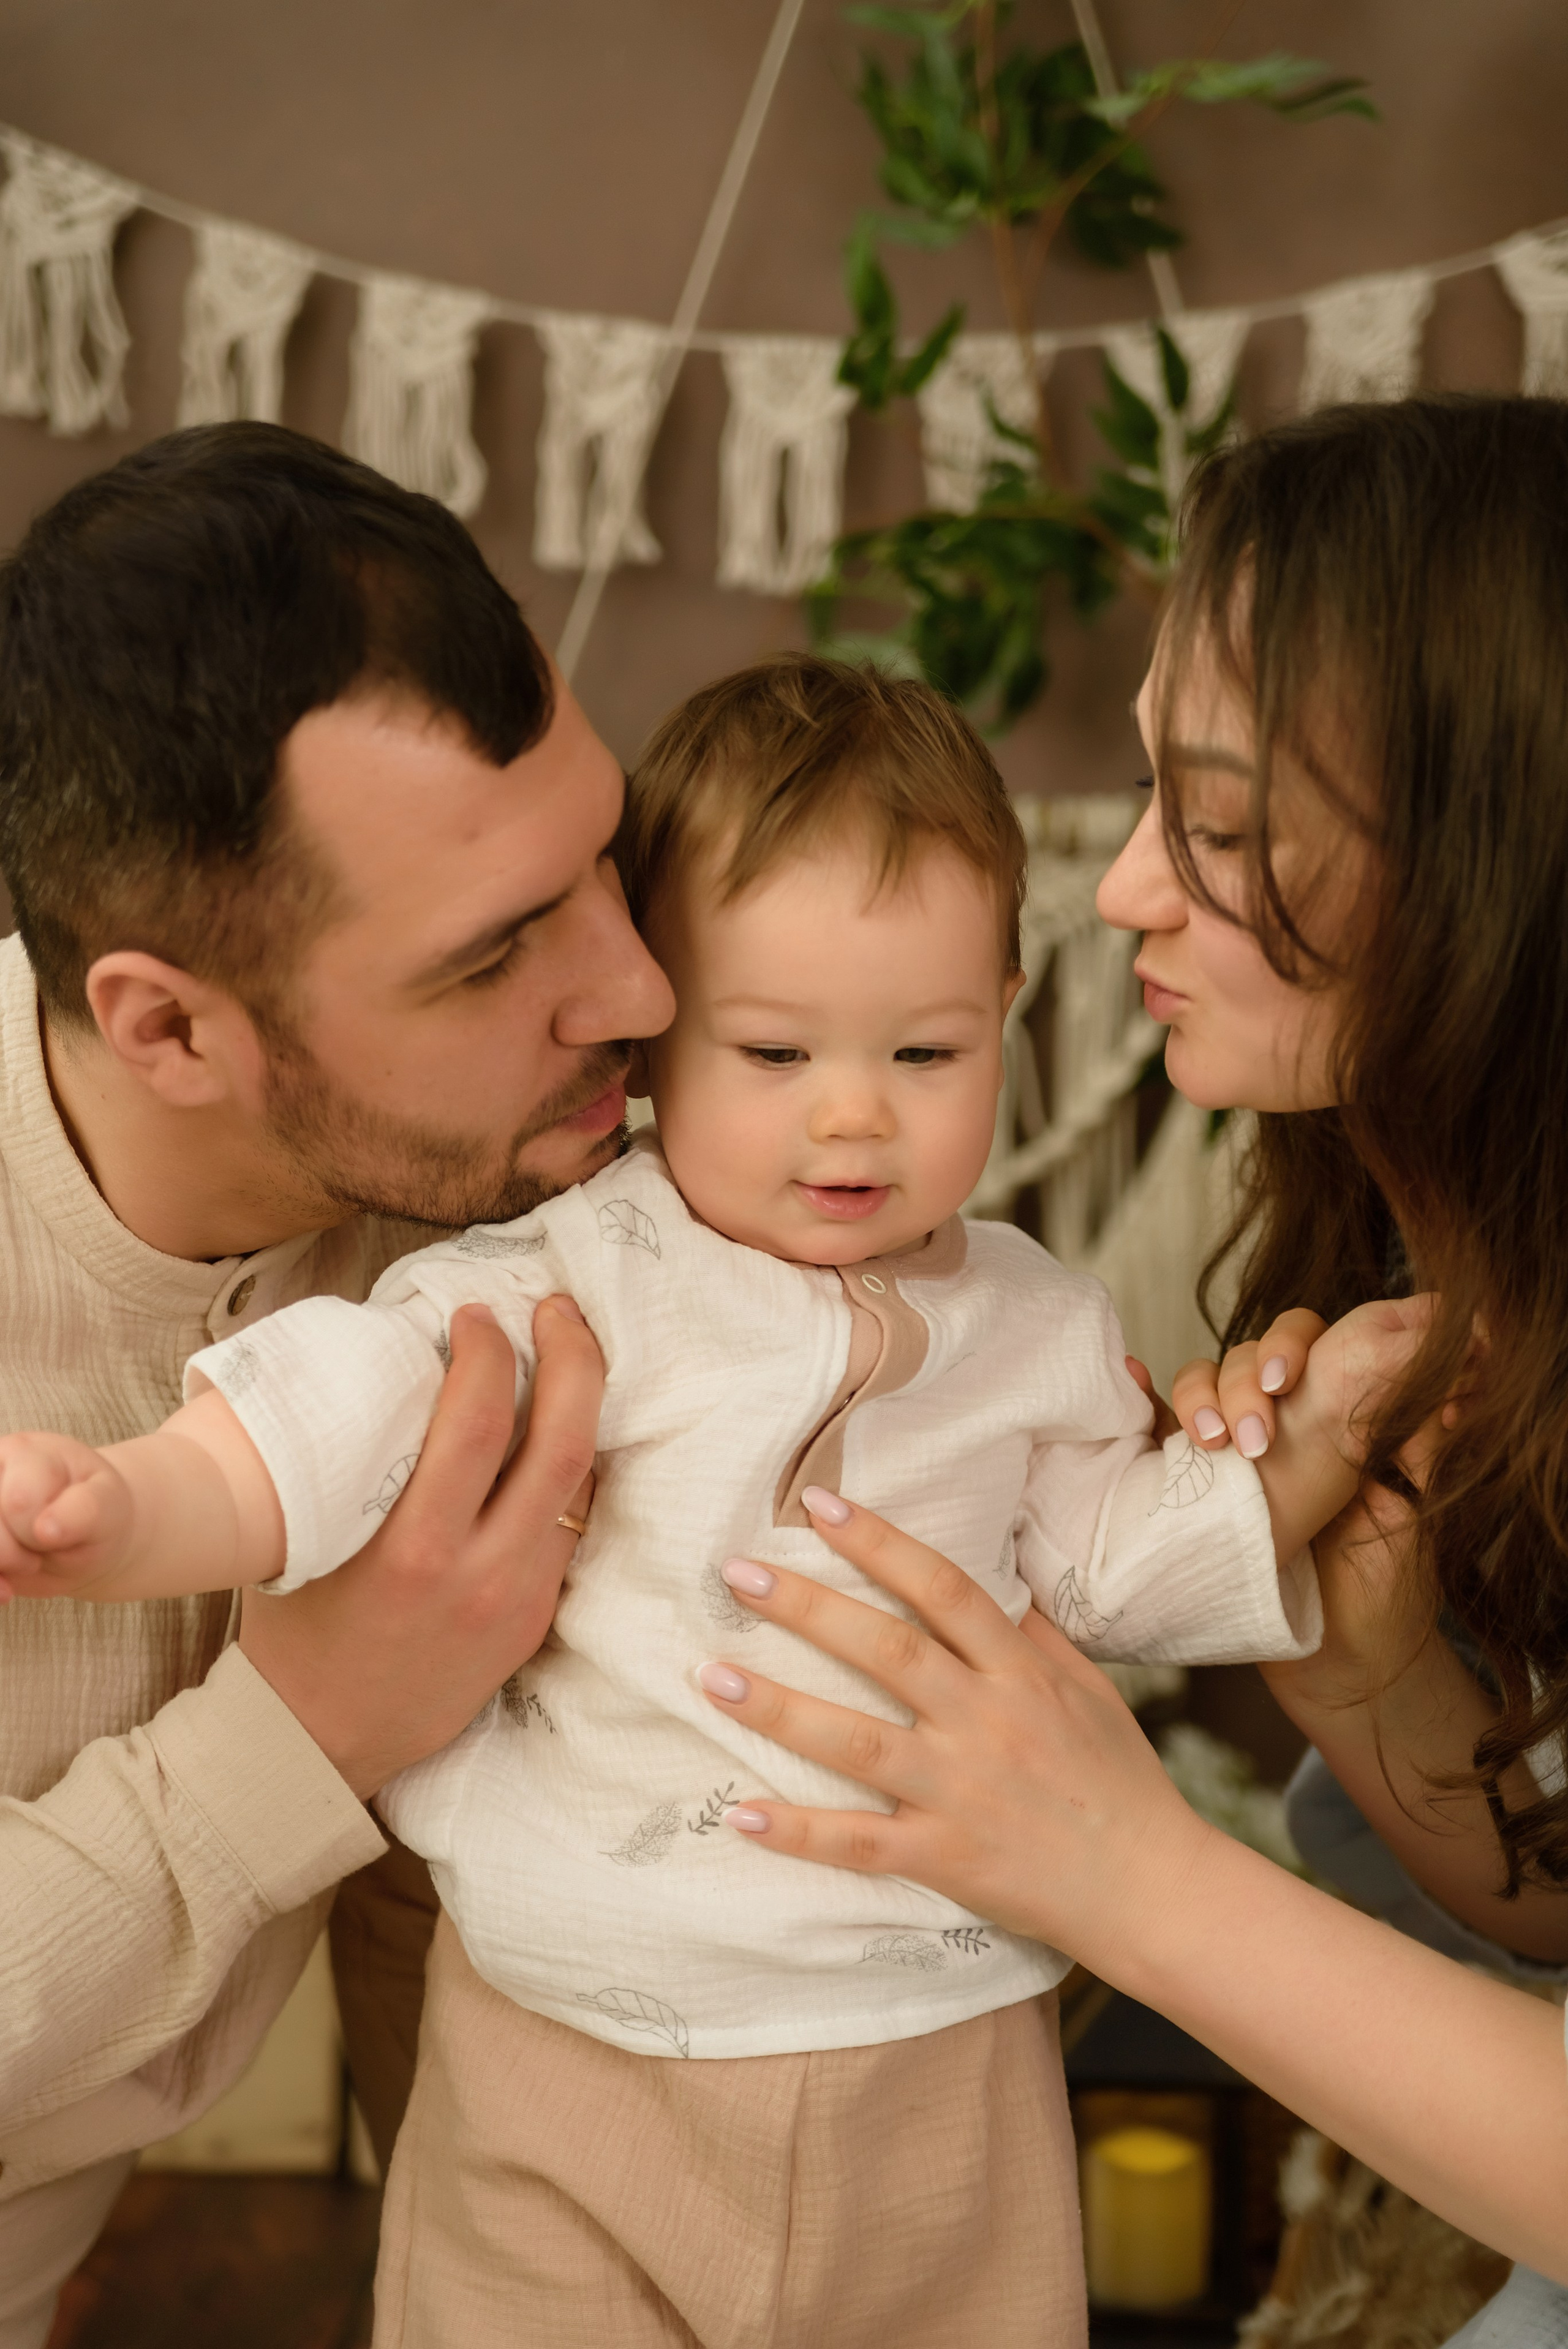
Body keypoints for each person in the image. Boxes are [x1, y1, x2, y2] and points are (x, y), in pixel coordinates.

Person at [0, 657, 1400, 2349]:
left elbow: (1112, 1563)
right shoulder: (583, 1264)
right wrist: (139, 1505)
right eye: (775, 1047)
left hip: (939, 2045)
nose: (853, 1110)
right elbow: (339, 1417)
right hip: (576, 2044)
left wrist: (1307, 1452)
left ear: (1011, 1010)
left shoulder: (1039, 1321)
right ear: (664, 1035)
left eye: (927, 1046)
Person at [686, 400, 1568, 2322]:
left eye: (1224, 825)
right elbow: (1550, 1919)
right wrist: (1365, 1661)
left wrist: (1128, 1871)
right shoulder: (1432, 1263)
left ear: (1499, 848)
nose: (1126, 889)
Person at [0, 421, 670, 2349]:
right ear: (172, 1025)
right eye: (493, 959)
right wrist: (308, 1724)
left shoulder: (515, 1207)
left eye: (601, 861)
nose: (638, 990)